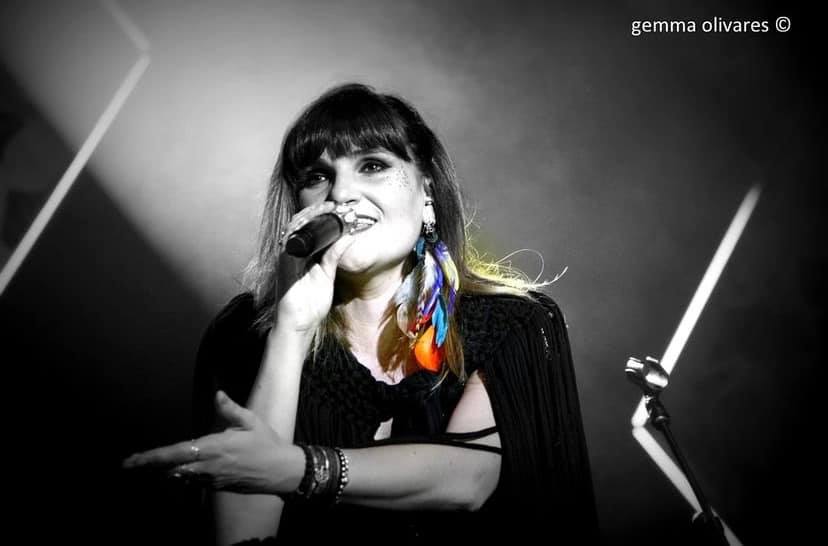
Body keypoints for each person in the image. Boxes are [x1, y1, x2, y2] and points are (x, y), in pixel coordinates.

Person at [123, 83, 599, 545]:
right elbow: (241, 535)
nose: (341, 193)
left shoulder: (512, 322)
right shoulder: (243, 333)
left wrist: (296, 468)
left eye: (372, 165)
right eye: (317, 176)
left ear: (426, 190)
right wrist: (292, 328)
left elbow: (469, 479)